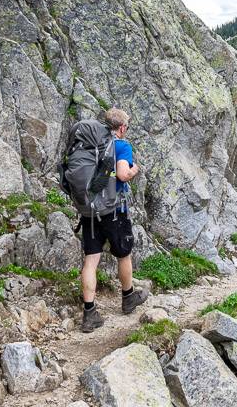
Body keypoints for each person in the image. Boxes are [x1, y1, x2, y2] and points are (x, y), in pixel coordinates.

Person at [80, 107, 148, 332]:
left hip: (89, 211)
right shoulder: (121, 145)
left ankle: (89, 314)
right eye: (126, 126)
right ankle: (128, 298)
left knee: (91, 260)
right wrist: (134, 169)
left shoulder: (92, 145)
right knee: (123, 254)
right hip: (114, 210)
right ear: (121, 128)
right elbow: (122, 174)